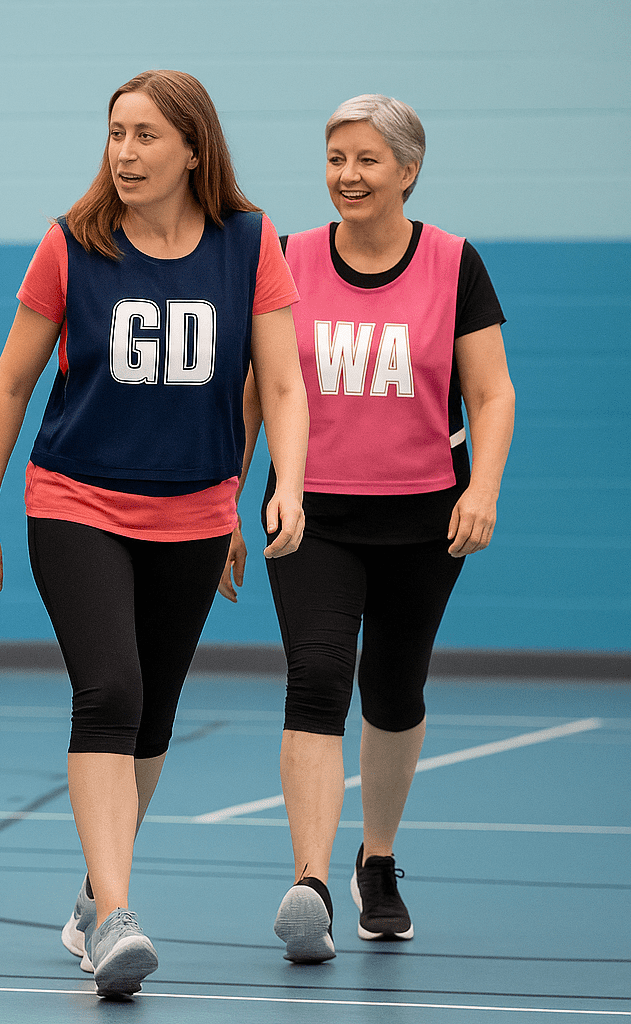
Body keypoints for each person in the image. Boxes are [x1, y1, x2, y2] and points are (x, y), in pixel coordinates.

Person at [0, 70, 308, 997]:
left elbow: (279, 385)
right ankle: (117, 916)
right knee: (109, 693)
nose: (125, 151)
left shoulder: (250, 242)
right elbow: (8, 386)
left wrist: (284, 489)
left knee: (151, 718)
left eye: (147, 135)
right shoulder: (71, 245)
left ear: (195, 147)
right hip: (76, 502)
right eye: (116, 132)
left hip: (193, 513)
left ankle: (89, 893)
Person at [217, 94, 515, 964]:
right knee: (316, 678)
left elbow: (491, 394)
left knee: (393, 691)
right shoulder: (288, 257)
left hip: (427, 516)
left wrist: (483, 489)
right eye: (335, 157)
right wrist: (228, 502)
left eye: (367, 160)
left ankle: (374, 858)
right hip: (311, 513)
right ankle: (310, 881)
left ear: (407, 171)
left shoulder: (455, 265)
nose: (347, 175)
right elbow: (253, 394)